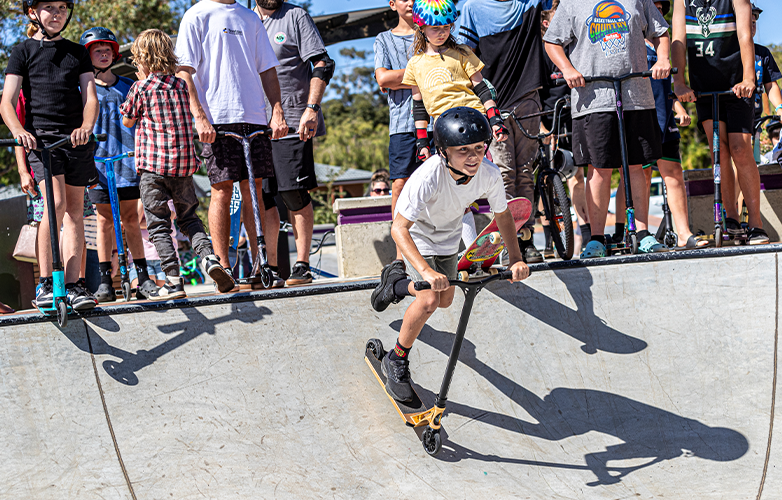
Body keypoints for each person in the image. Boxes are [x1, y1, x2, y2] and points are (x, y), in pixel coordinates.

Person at [370, 107, 529, 402]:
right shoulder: (429, 176)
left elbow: (504, 216)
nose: (473, 157)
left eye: (479, 148)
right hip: (417, 234)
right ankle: (396, 359)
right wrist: (427, 272)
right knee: (429, 298)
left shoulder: (488, 175)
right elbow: (399, 229)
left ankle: (394, 285)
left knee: (445, 300)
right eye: (463, 150)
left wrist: (516, 258)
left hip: (447, 239)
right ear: (443, 152)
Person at [544, 0, 671, 258]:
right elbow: (552, 41)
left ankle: (643, 233)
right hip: (592, 99)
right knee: (599, 168)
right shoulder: (571, 3)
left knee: (637, 166)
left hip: (636, 95)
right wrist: (567, 69)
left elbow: (660, 32)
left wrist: (662, 59)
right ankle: (597, 239)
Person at [175, 0, 288, 288]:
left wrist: (277, 110)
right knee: (222, 191)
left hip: (254, 117)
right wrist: (199, 117)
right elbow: (184, 72)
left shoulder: (250, 18)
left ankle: (262, 266)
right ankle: (223, 269)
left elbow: (268, 69)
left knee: (255, 190)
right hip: (217, 119)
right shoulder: (196, 14)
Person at [120, 29, 235, 300]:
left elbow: (127, 119)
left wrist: (140, 81)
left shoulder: (141, 87)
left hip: (153, 169)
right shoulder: (182, 86)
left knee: (159, 224)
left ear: (143, 60)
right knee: (188, 219)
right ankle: (210, 259)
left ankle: (173, 281)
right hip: (183, 168)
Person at [1, 0, 100, 311]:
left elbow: (91, 97)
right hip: (42, 143)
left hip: (75, 141)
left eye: (62, 8)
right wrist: (19, 130)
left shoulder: (78, 52)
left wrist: (86, 126)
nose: (57, 14)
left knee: (75, 213)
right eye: (49, 7)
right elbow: (7, 102)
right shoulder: (22, 51)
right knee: (53, 205)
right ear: (33, 12)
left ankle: (74, 285)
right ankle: (47, 283)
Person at [671, 0, 768, 244]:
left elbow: (745, 33)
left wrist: (748, 77)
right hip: (704, 87)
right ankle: (731, 218)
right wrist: (679, 82)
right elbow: (678, 39)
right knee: (720, 150)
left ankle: (756, 223)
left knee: (740, 148)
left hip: (737, 86)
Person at [459, 0, 548, 262]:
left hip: (527, 97)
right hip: (492, 103)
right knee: (504, 173)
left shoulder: (529, 4)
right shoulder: (472, 8)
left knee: (525, 172)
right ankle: (509, 243)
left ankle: (526, 237)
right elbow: (465, 56)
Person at [255, 0, 334, 286]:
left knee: (293, 193)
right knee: (263, 198)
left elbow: (323, 63)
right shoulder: (246, 20)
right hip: (255, 124)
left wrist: (311, 108)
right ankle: (271, 267)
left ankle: (302, 264)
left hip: (292, 120)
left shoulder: (295, 16)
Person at [79, 27, 156, 301]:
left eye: (107, 50)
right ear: (88, 55)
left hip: (128, 164)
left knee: (132, 220)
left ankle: (143, 279)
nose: (102, 54)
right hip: (98, 165)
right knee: (103, 222)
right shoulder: (83, 90)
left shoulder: (129, 86)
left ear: (114, 54)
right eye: (96, 51)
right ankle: (104, 282)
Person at [539, 0, 591, 254]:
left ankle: (583, 232)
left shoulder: (574, 46)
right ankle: (551, 236)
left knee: (577, 175)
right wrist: (540, 128)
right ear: (547, 24)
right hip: (546, 119)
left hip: (572, 115)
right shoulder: (539, 51)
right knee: (546, 179)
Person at [374, 0, 421, 267]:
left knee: (443, 182)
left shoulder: (435, 33)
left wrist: (398, 77)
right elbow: (383, 79)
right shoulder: (383, 39)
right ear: (392, 4)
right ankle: (401, 254)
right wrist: (422, 73)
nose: (411, 2)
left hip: (438, 122)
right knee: (400, 186)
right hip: (402, 125)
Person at [751, 3, 782, 163]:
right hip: (731, 117)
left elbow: (771, 85)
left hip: (755, 120)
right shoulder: (727, 53)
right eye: (747, 21)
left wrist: (780, 108)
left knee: (754, 162)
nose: (751, 26)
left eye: (754, 22)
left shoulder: (762, 54)